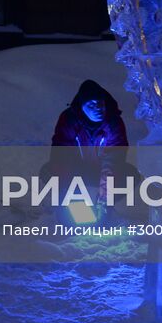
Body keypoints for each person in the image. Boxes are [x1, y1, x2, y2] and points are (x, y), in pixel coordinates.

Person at [41, 80, 137, 220]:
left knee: (130, 175)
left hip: (99, 171)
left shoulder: (114, 123)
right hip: (76, 170)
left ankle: (103, 207)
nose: (98, 108)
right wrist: (74, 198)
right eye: (91, 104)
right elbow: (61, 156)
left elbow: (113, 161)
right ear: (82, 106)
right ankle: (65, 204)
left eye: (100, 104)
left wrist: (105, 198)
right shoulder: (69, 120)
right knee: (48, 172)